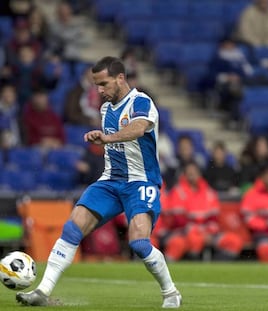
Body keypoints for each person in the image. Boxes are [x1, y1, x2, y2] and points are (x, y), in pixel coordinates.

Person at [16, 56, 182, 308]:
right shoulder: (105, 109)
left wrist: (107, 138)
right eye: (96, 85)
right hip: (110, 181)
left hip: (140, 182)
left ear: (121, 78)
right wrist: (101, 139)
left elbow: (137, 129)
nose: (99, 90)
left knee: (138, 242)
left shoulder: (141, 102)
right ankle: (42, 291)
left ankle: (170, 293)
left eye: (103, 84)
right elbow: (113, 142)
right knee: (73, 227)